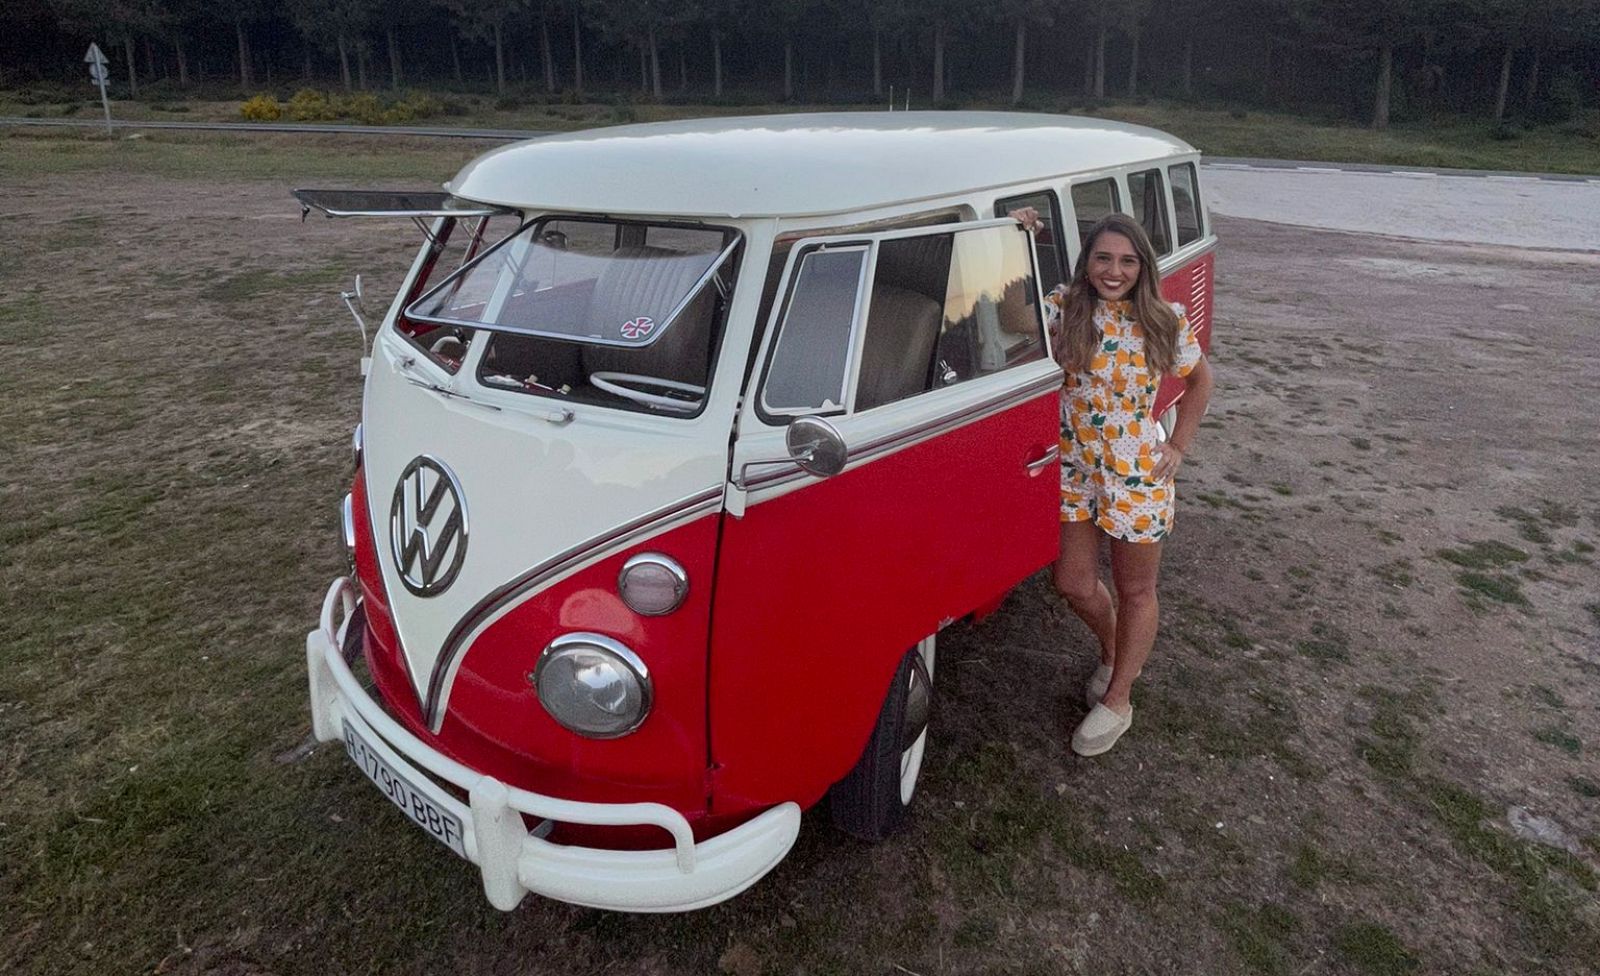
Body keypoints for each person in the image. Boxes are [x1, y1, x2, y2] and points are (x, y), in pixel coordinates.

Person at [1014, 208, 1216, 757]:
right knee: (1073, 582)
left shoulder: (1164, 319)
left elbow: (1200, 383)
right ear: (1088, 261)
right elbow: (1011, 312)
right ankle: (1112, 650)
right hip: (1075, 468)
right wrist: (1015, 237)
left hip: (1136, 473)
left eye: (1127, 261)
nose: (1114, 270)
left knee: (1135, 590)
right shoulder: (1065, 306)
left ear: (1142, 266)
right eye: (1103, 257)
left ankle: (1119, 697)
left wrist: (1177, 446)